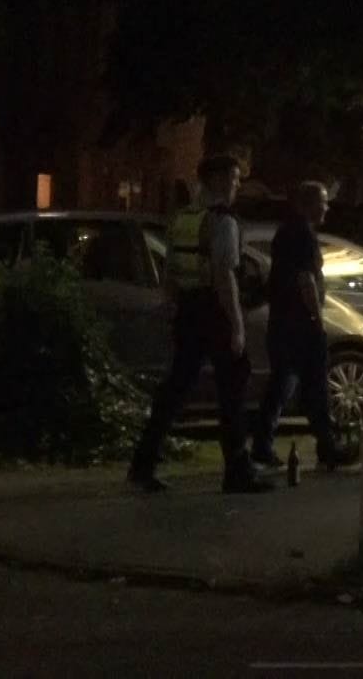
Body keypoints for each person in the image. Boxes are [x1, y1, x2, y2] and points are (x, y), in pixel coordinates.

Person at [129, 155, 272, 494]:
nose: (237, 186)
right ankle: (237, 469)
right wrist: (237, 324)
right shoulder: (222, 221)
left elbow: (171, 271)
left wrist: (173, 304)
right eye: (235, 179)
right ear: (219, 179)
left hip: (189, 309)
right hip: (214, 310)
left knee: (176, 387)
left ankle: (143, 463)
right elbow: (225, 276)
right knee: (233, 387)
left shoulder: (183, 219)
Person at [250, 181, 352, 472]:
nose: (327, 208)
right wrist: (317, 320)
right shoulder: (303, 234)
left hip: (283, 320)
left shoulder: (285, 232)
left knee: (287, 384)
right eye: (322, 202)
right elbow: (305, 279)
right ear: (307, 204)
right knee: (310, 384)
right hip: (300, 323)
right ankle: (324, 447)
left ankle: (271, 444)